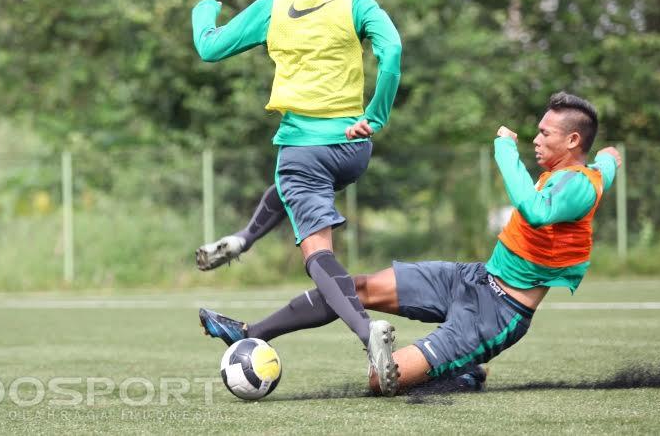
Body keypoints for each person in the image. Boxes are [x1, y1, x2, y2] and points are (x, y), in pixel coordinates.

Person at [199, 92, 622, 396]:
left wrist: (504, 152)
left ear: (571, 142)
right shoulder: (586, 170)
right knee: (357, 288)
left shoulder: (581, 187)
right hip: (473, 279)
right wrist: (609, 156)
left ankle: (464, 373)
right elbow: (605, 161)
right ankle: (249, 332)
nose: (536, 139)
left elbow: (536, 210)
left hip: (497, 314)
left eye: (545, 133)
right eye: (536, 132)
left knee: (381, 380)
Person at [191, 0, 403, 393]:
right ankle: (245, 239)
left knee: (320, 259)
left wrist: (203, 8)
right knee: (296, 190)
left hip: (303, 149)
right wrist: (378, 113)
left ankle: (367, 333)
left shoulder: (275, 4)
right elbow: (392, 51)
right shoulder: (358, 3)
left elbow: (210, 48)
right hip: (353, 147)